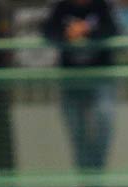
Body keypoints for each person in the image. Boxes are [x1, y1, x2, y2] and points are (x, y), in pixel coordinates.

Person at [44, 0, 120, 177]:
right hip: (71, 80)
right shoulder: (61, 7)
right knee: (76, 130)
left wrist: (88, 31)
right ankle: (85, 176)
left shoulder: (102, 6)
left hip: (101, 78)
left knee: (104, 119)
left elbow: (113, 30)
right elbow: (48, 31)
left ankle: (97, 172)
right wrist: (67, 33)